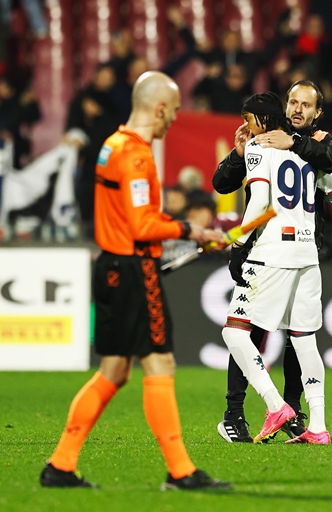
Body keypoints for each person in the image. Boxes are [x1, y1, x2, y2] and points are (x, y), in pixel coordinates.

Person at [39, 71, 231, 490]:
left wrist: (196, 232)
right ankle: (181, 472)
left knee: (114, 370)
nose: (176, 119)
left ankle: (61, 464)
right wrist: (190, 231)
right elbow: (143, 226)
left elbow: (133, 217)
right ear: (159, 108)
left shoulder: (112, 146)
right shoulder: (138, 157)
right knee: (159, 362)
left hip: (109, 265)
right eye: (175, 110)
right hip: (133, 270)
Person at [211, 80, 332, 443]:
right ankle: (316, 426)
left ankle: (275, 406)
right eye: (292, 102)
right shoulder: (301, 149)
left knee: (236, 332)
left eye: (305, 104)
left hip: (271, 250)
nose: (298, 108)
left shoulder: (268, 145)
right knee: (302, 339)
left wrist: (235, 243)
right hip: (306, 253)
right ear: (283, 108)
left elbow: (258, 205)